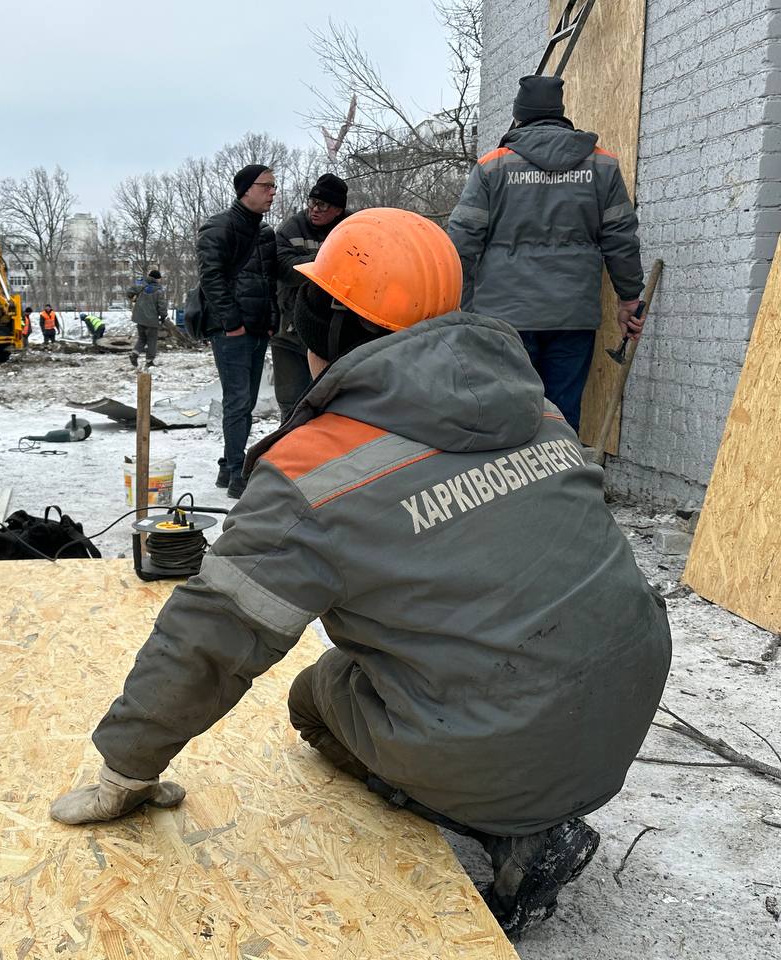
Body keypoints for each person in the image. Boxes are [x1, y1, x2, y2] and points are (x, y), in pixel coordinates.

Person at [50, 209, 671, 940]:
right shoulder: (534, 408)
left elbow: (210, 638)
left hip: (507, 743)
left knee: (319, 694)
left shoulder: (315, 471)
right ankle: (521, 787)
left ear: (329, 326)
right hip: (626, 705)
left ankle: (509, 831)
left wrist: (127, 765)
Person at [446, 74, 644, 433]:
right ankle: (561, 485)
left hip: (504, 315)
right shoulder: (601, 166)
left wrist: (462, 303)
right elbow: (621, 238)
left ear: (519, 115)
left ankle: (514, 487)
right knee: (562, 414)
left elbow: (462, 241)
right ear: (559, 113)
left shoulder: (494, 166)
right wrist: (629, 297)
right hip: (572, 314)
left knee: (507, 410)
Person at [196, 163, 279, 498]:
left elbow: (268, 279)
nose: (273, 192)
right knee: (238, 400)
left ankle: (227, 465)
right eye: (267, 186)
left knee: (246, 402)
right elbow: (211, 278)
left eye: (275, 186)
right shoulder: (219, 227)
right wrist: (232, 323)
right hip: (232, 330)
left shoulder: (265, 233)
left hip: (259, 327)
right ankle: (235, 473)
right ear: (246, 189)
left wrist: (272, 318)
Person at [272, 173, 351, 416]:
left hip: (334, 332)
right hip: (290, 331)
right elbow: (285, 269)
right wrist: (328, 260)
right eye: (311, 202)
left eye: (323, 205)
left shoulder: (353, 228)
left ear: (338, 209)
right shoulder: (291, 228)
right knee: (291, 403)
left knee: (332, 402)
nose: (314, 209)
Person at [127, 269, 167, 369]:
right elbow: (161, 306)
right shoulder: (158, 291)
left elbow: (129, 292)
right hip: (151, 320)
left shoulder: (141, 286)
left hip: (139, 318)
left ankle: (134, 354)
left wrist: (134, 299)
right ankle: (149, 361)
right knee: (152, 340)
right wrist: (163, 316)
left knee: (142, 338)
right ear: (157, 279)